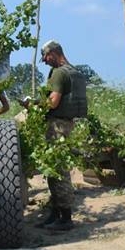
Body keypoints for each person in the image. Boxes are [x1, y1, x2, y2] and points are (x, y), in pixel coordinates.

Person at [34, 39, 87, 231]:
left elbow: (53, 102)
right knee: (55, 170)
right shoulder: (75, 72)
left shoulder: (59, 73)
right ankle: (55, 214)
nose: (44, 61)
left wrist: (34, 105)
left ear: (54, 53)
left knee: (58, 171)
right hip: (69, 125)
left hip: (57, 126)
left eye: (46, 57)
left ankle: (65, 218)